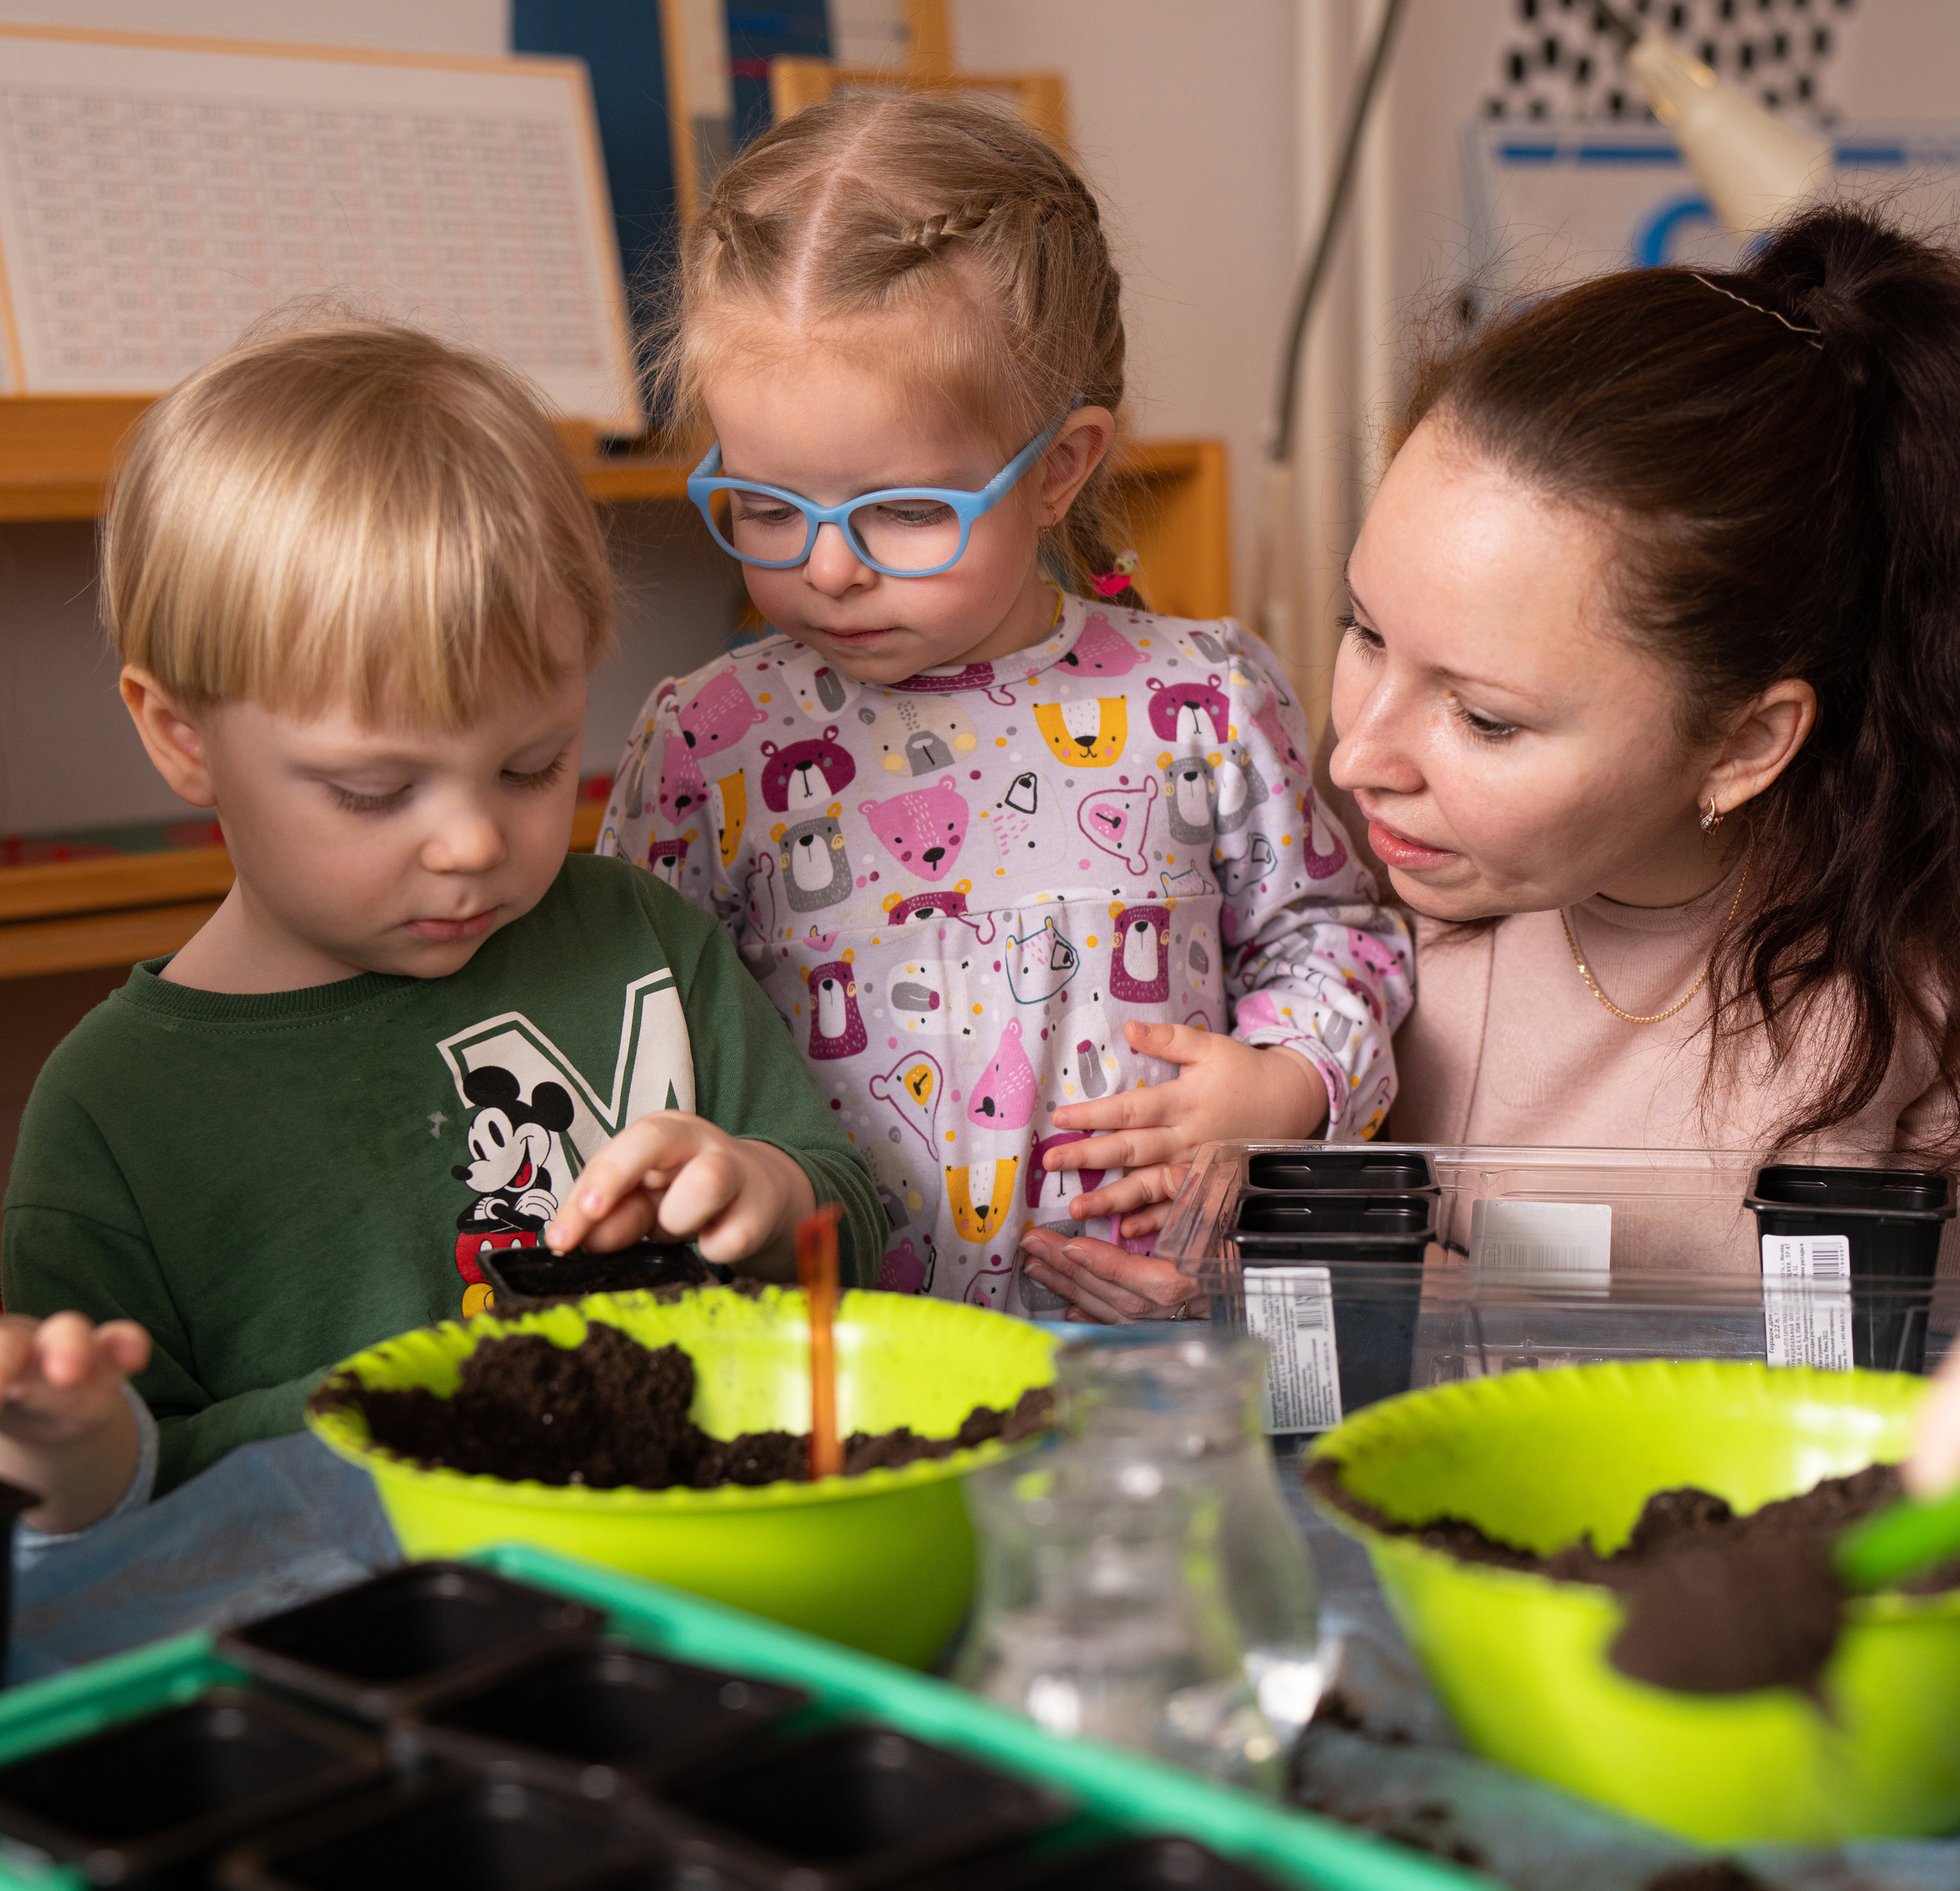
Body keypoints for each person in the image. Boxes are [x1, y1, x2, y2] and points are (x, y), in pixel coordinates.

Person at [0, 320, 883, 1537]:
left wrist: (765, 1192)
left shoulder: (646, 939)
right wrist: (88, 1452)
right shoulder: (110, 1114)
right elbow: (103, 1519)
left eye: (533, 765)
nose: (473, 843)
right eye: (373, 792)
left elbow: (850, 1213)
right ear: (180, 735)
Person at [1047, 205, 1960, 1318]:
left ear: (1742, 745)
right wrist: (1207, 1278)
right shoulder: (1319, 913)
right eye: (1366, 631)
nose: (1359, 761)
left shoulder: (1903, 1021)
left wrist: (1432, 1303)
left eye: (1485, 719)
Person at [596, 93, 1411, 1315]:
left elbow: (1337, 940)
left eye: (906, 511)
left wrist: (1283, 1089)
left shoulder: (1200, 701)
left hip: (1142, 1349)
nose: (829, 567)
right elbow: (635, 1032)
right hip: (831, 1373)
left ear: (1062, 469)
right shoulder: (707, 745)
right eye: (768, 507)